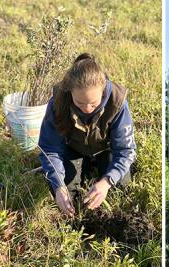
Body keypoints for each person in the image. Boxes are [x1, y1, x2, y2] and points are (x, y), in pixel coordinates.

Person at [38, 53, 136, 217]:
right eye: (80, 103)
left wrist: (107, 182)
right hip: (73, 150)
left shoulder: (117, 103)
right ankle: (82, 171)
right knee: (66, 195)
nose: (87, 109)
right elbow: (50, 149)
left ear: (103, 89)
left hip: (106, 149)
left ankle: (99, 172)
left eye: (94, 103)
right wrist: (58, 184)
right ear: (70, 93)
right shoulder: (57, 102)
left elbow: (125, 151)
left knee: (120, 189)